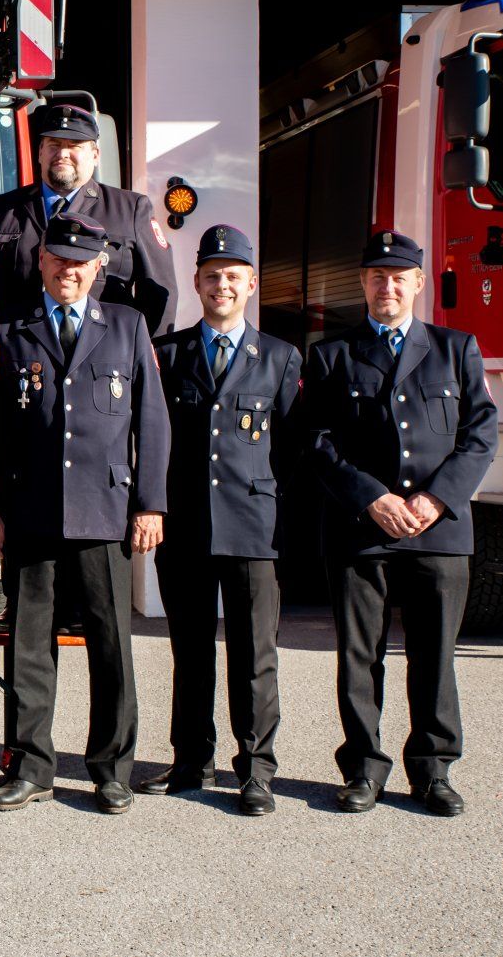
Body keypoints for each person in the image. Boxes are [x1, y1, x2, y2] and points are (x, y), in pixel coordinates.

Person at [306, 230, 498, 818]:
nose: (386, 286)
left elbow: (480, 434)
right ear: (362, 284)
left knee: (434, 654)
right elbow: (317, 441)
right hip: (362, 527)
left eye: (398, 277)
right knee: (359, 656)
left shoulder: (455, 348)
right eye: (376, 277)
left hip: (437, 529)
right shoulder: (331, 355)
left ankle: (433, 770)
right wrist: (371, 498)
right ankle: (363, 768)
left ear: (418, 283)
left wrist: (438, 499)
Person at [0, 212, 167, 815]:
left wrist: (150, 503)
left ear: (99, 268)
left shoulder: (127, 325)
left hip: (104, 509)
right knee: (28, 645)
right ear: (41, 262)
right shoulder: (9, 326)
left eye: (81, 262)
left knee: (111, 644)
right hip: (30, 509)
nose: (69, 270)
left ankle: (112, 770)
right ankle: (29, 766)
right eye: (59, 258)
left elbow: (152, 421)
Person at [140, 225, 301, 815]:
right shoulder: (168, 354)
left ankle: (256, 768)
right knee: (190, 650)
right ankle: (191, 759)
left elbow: (293, 451)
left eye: (233, 276)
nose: (222, 285)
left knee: (254, 655)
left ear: (251, 284)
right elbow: (150, 440)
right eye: (212, 275)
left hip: (253, 527)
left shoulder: (280, 358)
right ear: (197, 282)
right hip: (185, 526)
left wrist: (285, 527)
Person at [0, 102, 172, 331]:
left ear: (95, 155)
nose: (62, 154)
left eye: (74, 145)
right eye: (54, 145)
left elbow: (159, 291)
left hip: (104, 346)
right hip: (20, 345)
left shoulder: (130, 210)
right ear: (40, 152)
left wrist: (146, 348)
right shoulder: (1, 209)